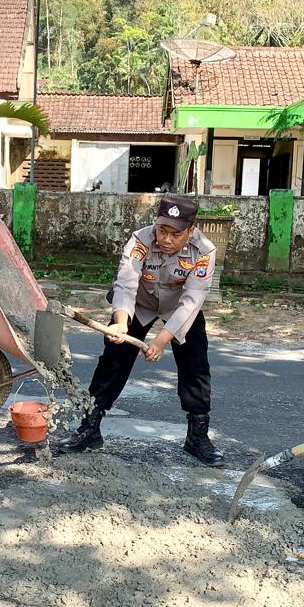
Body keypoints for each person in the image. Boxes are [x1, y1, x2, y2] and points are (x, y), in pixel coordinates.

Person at [60, 194, 223, 467]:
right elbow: (125, 283)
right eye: (162, 230)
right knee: (113, 359)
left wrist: (161, 340)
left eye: (176, 233)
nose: (167, 239)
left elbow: (192, 301)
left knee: (196, 364)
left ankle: (197, 436)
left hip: (179, 309)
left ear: (190, 231)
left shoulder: (204, 251)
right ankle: (89, 428)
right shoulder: (140, 240)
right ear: (155, 224)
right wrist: (121, 322)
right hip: (139, 303)